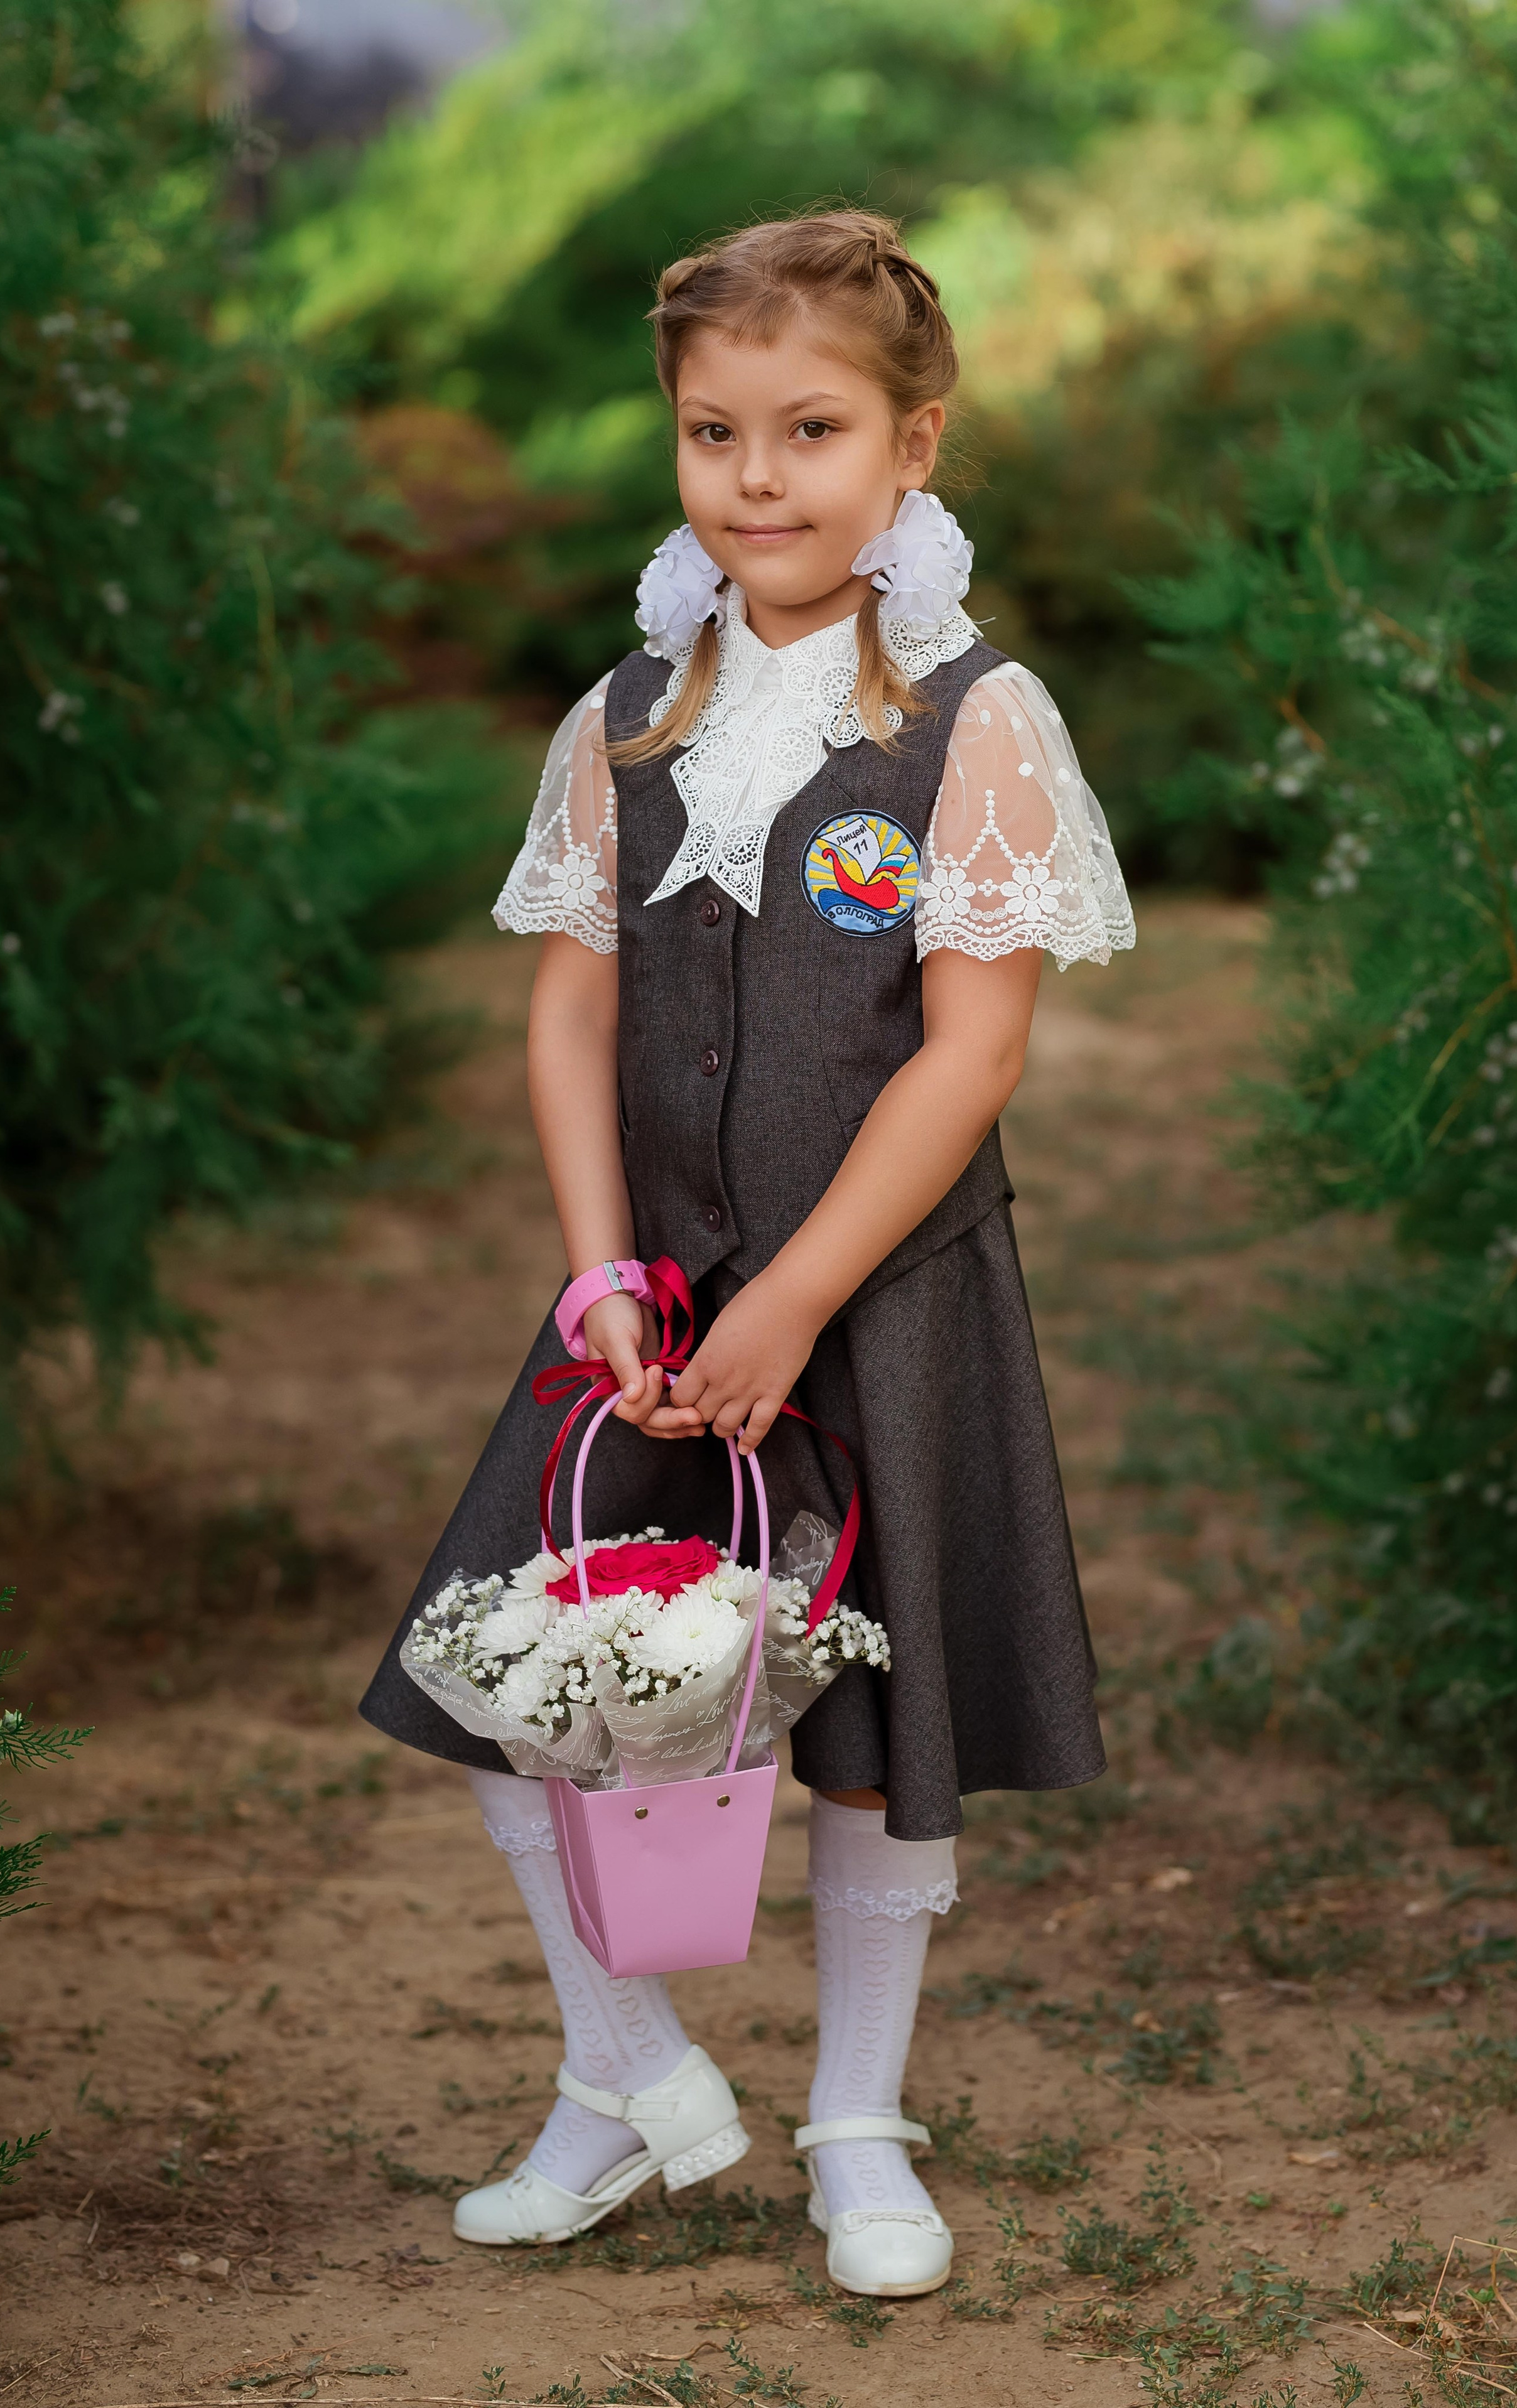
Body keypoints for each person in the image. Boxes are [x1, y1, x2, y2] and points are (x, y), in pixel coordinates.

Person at [359, 208, 1135, 2299]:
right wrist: (606, 1274)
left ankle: (856, 2119)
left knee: (878, 1735)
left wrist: (798, 1294)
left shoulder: (973, 720)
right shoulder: (629, 706)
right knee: (526, 1675)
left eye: (812, 428)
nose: (761, 477)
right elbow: (569, 1007)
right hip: (649, 1315)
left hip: (871, 1306)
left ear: (915, 445)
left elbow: (971, 1052)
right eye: (716, 432)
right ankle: (622, 2075)